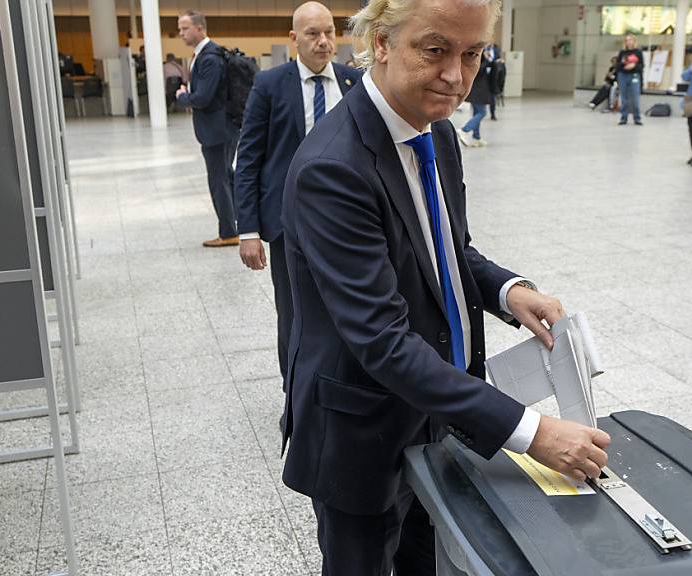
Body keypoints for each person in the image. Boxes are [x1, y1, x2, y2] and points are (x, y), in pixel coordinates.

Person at [280, 0, 612, 572]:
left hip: (434, 418)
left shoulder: (435, 133)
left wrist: (508, 290)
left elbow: (446, 252)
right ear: (381, 43)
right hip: (362, 432)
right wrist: (530, 431)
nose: (455, 76)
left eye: (472, 53)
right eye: (433, 50)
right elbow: (382, 342)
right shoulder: (332, 169)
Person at [233, 1, 362, 388]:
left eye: (329, 32)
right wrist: (248, 231)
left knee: (352, 307)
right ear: (294, 39)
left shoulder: (354, 82)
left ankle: (347, 385)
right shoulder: (270, 85)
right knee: (294, 313)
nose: (324, 42)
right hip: (289, 222)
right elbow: (249, 159)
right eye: (312, 34)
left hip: (348, 219)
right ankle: (296, 394)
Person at [174, 10, 240, 247]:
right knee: (226, 176)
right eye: (180, 29)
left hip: (218, 130)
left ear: (200, 28)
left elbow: (203, 98)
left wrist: (183, 96)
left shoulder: (210, 57)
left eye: (185, 28)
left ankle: (228, 232)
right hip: (220, 128)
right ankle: (237, 225)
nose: (181, 33)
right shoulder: (204, 55)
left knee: (218, 178)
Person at [458, 51, 492, 146]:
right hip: (478, 92)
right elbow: (479, 69)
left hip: (475, 91)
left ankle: (476, 137)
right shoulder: (477, 60)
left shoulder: (474, 57)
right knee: (482, 112)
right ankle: (464, 130)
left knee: (477, 113)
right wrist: (487, 60)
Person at [616, 34, 644, 125]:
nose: (628, 42)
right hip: (623, 76)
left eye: (630, 40)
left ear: (634, 41)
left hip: (634, 75)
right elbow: (618, 66)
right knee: (624, 98)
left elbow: (641, 66)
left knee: (635, 98)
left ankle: (637, 118)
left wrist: (634, 65)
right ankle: (623, 117)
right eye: (627, 40)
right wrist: (624, 65)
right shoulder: (622, 52)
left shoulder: (638, 52)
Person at [488, 51, 505, 120]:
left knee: (492, 100)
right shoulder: (485, 59)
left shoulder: (500, 63)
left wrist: (500, 88)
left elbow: (502, 76)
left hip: (493, 84)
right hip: (484, 81)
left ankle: (492, 114)